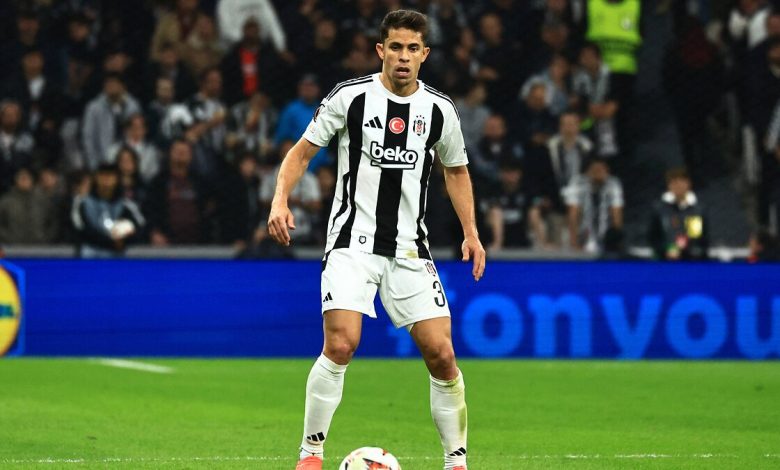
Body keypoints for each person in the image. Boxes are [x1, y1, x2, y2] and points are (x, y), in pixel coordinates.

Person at [267, 10, 484, 470]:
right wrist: (280, 200)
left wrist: (471, 232)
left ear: (425, 54)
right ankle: (310, 454)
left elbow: (457, 171)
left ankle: (456, 462)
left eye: (413, 49)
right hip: (352, 243)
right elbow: (301, 153)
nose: (403, 56)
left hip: (410, 249)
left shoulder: (440, 110)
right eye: (396, 47)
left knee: (443, 354)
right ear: (381, 50)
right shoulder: (350, 98)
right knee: (341, 343)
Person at [71, 163, 145, 258]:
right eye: (102, 176)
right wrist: (110, 242)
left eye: (110, 176)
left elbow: (139, 226)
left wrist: (124, 239)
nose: (106, 180)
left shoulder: (126, 205)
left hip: (118, 254)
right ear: (96, 178)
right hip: (91, 253)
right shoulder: (82, 202)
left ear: (117, 179)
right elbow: (79, 228)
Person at [647, 167, 708, 261]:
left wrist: (683, 249)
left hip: (691, 261)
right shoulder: (659, 209)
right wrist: (667, 249)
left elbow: (697, 238)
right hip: (664, 260)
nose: (678, 186)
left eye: (682, 182)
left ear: (688, 184)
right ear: (669, 185)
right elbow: (653, 238)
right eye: (674, 182)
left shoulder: (697, 210)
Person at [565, 157, 624, 253]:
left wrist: (617, 240)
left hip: (606, 235)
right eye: (595, 170)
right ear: (588, 171)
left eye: (601, 170)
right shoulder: (577, 182)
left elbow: (616, 213)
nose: (598, 173)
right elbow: (573, 213)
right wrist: (573, 240)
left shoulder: (613, 183)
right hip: (584, 234)